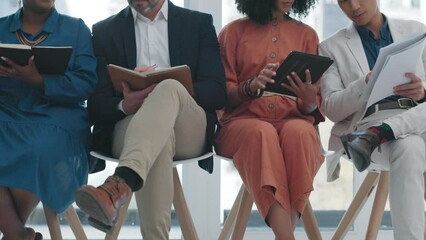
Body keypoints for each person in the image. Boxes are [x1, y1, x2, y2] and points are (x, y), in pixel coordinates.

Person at [74, 0, 226, 238]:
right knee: (158, 141)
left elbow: (217, 91)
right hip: (129, 126)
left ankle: (119, 184)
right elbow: (95, 106)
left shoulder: (198, 23)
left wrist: (169, 85)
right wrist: (124, 104)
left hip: (189, 127)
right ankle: (126, 183)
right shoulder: (105, 31)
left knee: (168, 87)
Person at [215, 0, 324, 239]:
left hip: (293, 119)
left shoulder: (307, 35)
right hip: (242, 122)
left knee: (302, 133)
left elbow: (312, 108)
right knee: (261, 133)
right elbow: (220, 96)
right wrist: (250, 87)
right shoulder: (233, 32)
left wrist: (308, 100)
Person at [320, 0, 426, 238]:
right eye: (344, 1)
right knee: (409, 146)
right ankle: (381, 131)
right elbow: (332, 109)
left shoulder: (416, 31)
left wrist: (423, 90)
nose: (354, 6)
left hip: (416, 118)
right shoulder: (330, 47)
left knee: (412, 140)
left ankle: (380, 134)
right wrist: (364, 83)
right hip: (372, 122)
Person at [0, 0, 98, 239]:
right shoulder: (1, 27)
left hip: (59, 117)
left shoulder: (76, 29)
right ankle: (18, 235)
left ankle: (14, 234)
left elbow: (87, 84)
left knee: (40, 148)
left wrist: (39, 81)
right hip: (7, 113)